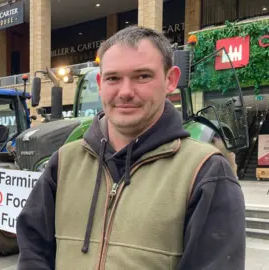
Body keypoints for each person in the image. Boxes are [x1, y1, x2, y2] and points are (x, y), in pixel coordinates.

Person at [15, 25, 246, 270]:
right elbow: (33, 250)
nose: (125, 92)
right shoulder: (64, 162)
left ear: (170, 80)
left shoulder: (206, 172)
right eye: (113, 78)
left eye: (142, 76)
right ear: (100, 83)